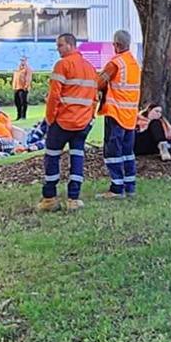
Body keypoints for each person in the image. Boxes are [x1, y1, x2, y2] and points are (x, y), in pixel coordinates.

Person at [38, 33, 98, 212]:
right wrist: (90, 118)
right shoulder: (89, 67)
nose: (58, 49)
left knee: (52, 156)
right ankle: (73, 198)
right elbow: (95, 97)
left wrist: (49, 118)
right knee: (77, 157)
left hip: (63, 121)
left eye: (60, 45)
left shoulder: (62, 65)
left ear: (70, 45)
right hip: (82, 123)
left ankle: (50, 198)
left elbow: (54, 96)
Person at [96, 30, 142, 198]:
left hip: (115, 114)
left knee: (113, 152)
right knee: (128, 152)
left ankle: (116, 189)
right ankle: (130, 187)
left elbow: (99, 83)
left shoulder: (115, 63)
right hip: (130, 115)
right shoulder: (134, 64)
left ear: (116, 44)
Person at [12, 56, 33, 121]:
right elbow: (15, 78)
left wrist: (26, 86)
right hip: (16, 88)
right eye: (21, 60)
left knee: (23, 102)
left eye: (23, 60)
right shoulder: (17, 69)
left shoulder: (28, 69)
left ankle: (23, 116)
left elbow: (28, 78)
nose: (22, 62)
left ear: (26, 61)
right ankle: (18, 116)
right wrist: (14, 86)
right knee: (17, 102)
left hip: (23, 88)